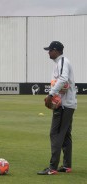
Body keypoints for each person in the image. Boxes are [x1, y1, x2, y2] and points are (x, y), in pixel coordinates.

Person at [37, 41, 77, 175]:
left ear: (56, 51)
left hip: (64, 105)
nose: (48, 52)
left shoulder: (62, 61)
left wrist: (50, 95)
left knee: (55, 134)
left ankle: (52, 168)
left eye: (50, 50)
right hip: (67, 104)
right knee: (65, 135)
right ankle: (66, 166)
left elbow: (63, 79)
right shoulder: (60, 63)